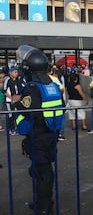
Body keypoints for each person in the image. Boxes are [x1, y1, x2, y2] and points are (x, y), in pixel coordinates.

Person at [14, 45, 64, 214]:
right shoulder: (52, 85)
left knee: (42, 173)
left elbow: (26, 112)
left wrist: (16, 107)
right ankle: (43, 203)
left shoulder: (32, 87)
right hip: (51, 134)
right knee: (42, 171)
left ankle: (44, 208)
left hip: (38, 136)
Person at [4, 66, 22, 135]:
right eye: (15, 72)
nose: (16, 73)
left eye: (16, 72)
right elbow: (4, 91)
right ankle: (11, 129)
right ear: (10, 73)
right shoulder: (8, 80)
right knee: (10, 115)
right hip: (9, 101)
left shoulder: (16, 80)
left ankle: (14, 128)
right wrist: (11, 98)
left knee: (14, 114)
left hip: (15, 100)